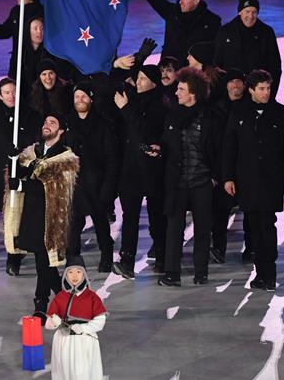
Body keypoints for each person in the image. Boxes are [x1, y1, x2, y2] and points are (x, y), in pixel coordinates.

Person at [222, 70, 284, 291]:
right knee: (253, 226)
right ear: (251, 90)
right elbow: (230, 146)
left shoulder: (281, 113)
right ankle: (260, 273)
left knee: (267, 224)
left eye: (268, 88)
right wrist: (228, 177)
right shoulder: (238, 112)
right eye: (262, 89)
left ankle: (269, 273)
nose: (266, 93)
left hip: (271, 180)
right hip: (247, 180)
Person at [5, 112, 79, 321]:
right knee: (43, 261)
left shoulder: (66, 157)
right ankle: (63, 301)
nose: (47, 125)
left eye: (53, 123)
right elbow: (16, 174)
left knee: (43, 261)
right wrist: (12, 159)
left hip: (51, 218)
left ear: (61, 131)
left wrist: (23, 185)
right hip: (31, 215)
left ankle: (41, 305)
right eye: (45, 121)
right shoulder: (32, 152)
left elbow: (55, 186)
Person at [158, 67, 225, 287]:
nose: (176, 92)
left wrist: (215, 177)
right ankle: (171, 274)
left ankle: (201, 272)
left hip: (201, 183)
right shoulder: (172, 116)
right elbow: (167, 146)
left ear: (193, 93)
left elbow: (219, 150)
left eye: (181, 89)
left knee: (203, 229)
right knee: (173, 229)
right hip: (176, 183)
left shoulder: (210, 117)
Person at [0, 77, 42, 276]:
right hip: (1, 176)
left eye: (14, 92)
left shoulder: (31, 115)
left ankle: (24, 249)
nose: (11, 96)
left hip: (26, 175)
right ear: (0, 95)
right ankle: (12, 256)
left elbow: (38, 144)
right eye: (6, 92)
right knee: (9, 217)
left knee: (25, 215)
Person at [114, 66, 167, 275]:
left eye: (144, 79)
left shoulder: (160, 104)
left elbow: (144, 132)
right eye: (139, 78)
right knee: (130, 217)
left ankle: (162, 257)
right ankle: (127, 260)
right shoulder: (133, 97)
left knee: (156, 217)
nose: (139, 82)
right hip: (131, 169)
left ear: (154, 82)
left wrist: (126, 109)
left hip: (152, 169)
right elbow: (117, 81)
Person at [44, 263, 108, 380]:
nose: (74, 276)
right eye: (70, 272)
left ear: (84, 275)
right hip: (64, 342)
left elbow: (100, 321)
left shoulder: (92, 297)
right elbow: (49, 322)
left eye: (78, 272)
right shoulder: (60, 297)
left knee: (81, 374)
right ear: (65, 276)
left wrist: (83, 328)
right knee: (65, 373)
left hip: (83, 342)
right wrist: (54, 322)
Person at [64, 82, 118, 274]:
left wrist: (108, 188)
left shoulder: (103, 124)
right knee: (73, 227)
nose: (80, 100)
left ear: (91, 99)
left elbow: (112, 158)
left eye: (84, 96)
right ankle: (74, 259)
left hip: (97, 183)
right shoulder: (68, 123)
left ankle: (107, 255)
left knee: (101, 224)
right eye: (77, 96)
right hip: (75, 184)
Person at [213, 0, 283, 97]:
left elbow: (275, 66)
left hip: (257, 93)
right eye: (247, 11)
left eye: (254, 12)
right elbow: (217, 64)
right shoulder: (225, 32)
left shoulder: (266, 32)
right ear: (240, 12)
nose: (250, 16)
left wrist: (269, 95)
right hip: (232, 93)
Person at [210, 68, 246, 265]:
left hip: (246, 168)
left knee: (250, 211)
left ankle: (251, 249)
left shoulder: (250, 108)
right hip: (223, 168)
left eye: (239, 81)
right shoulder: (217, 110)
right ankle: (218, 247)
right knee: (221, 211)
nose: (235, 85)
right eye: (231, 82)